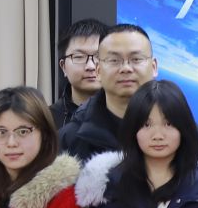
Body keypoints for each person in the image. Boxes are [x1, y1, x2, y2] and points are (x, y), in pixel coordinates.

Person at [77, 80, 198, 208]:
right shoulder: (105, 190)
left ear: (184, 127)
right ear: (133, 129)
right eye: (146, 124)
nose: (157, 135)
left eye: (168, 124)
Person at [59, 22, 158, 164]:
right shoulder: (69, 140)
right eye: (114, 60)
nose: (126, 68)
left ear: (154, 67)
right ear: (98, 70)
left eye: (136, 59)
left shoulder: (181, 132)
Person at [52, 17, 110, 126]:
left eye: (99, 56)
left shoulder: (129, 117)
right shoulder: (46, 120)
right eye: (79, 57)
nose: (91, 66)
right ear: (63, 67)